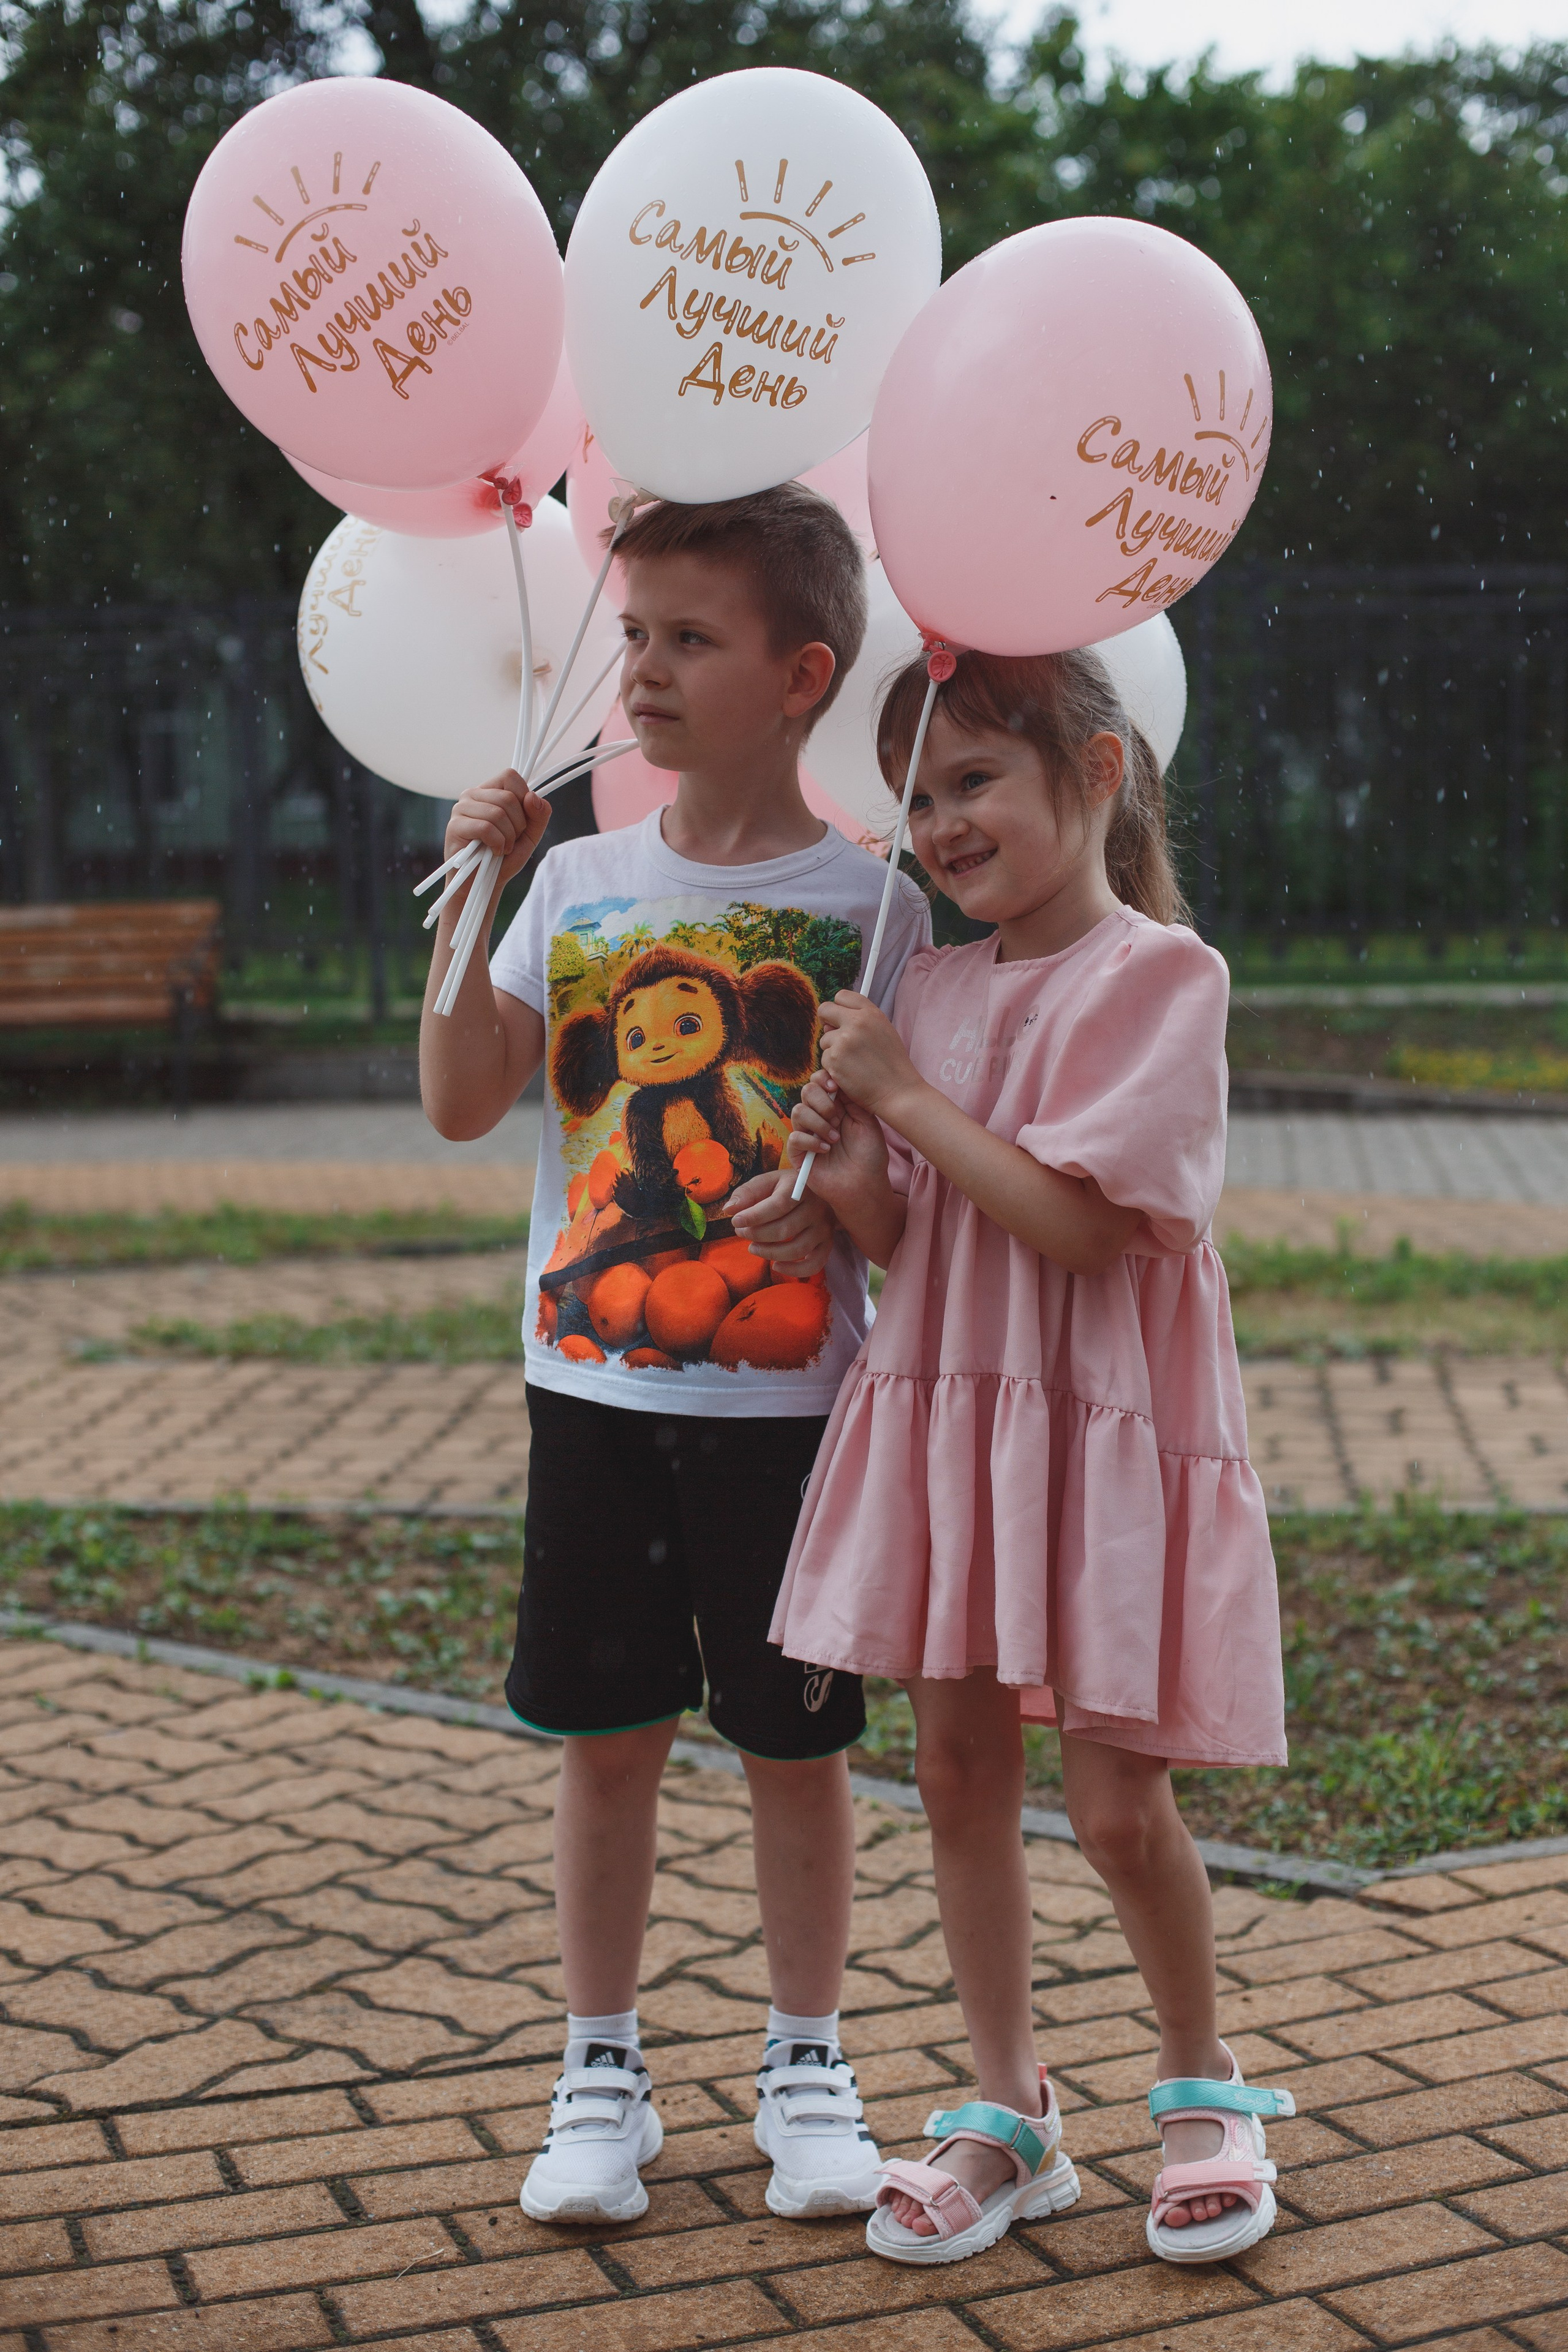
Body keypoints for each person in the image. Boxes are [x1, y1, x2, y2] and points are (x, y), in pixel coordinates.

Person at [420, 483, 932, 2228]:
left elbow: (901, 1198)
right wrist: (469, 894)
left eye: (685, 640)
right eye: (632, 634)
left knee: (798, 1746)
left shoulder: (875, 911)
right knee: (606, 1736)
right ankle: (601, 2071)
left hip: (791, 1411)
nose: (637, 671)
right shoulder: (573, 882)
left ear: (799, 675)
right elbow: (460, 1101)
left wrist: (841, 1206)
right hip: (596, 1397)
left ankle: (809, 2060)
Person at [777, 644, 1290, 2269]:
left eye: (975, 781)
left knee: (1121, 1802)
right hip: (954, 1409)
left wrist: (909, 1104)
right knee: (953, 1772)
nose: (938, 824)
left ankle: (1202, 2080)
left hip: (1096, 1427)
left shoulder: (1162, 979)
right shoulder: (925, 983)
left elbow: (1076, 1228)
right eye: (917, 796)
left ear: (1097, 771)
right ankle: (1013, 2107)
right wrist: (849, 1170)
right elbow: (910, 1244)